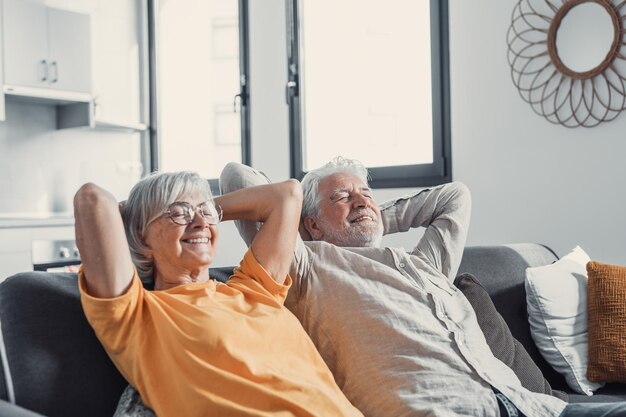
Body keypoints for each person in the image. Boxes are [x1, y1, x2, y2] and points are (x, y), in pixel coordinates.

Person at [221, 158, 626, 417]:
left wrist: (372, 218)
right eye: (341, 197)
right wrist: (308, 230)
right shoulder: (307, 265)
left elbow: (455, 197)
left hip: (530, 406)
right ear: (309, 223)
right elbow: (237, 176)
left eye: (366, 194)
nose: (362, 201)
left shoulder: (425, 263)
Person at [74, 171, 364, 417]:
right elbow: (92, 199)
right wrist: (133, 215)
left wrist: (206, 209)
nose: (200, 223)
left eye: (205, 212)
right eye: (177, 212)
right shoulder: (135, 314)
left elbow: (288, 194)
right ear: (141, 235)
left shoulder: (253, 288)